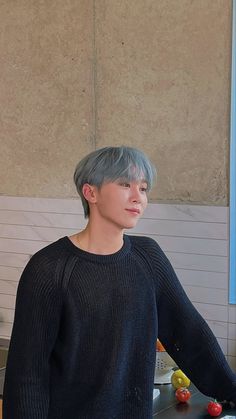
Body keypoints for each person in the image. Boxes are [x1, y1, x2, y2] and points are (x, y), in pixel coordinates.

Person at [3, 146, 236, 419]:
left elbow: (189, 332)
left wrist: (231, 390)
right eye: (126, 184)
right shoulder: (49, 268)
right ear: (91, 193)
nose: (138, 197)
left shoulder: (148, 257)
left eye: (144, 188)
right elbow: (28, 373)